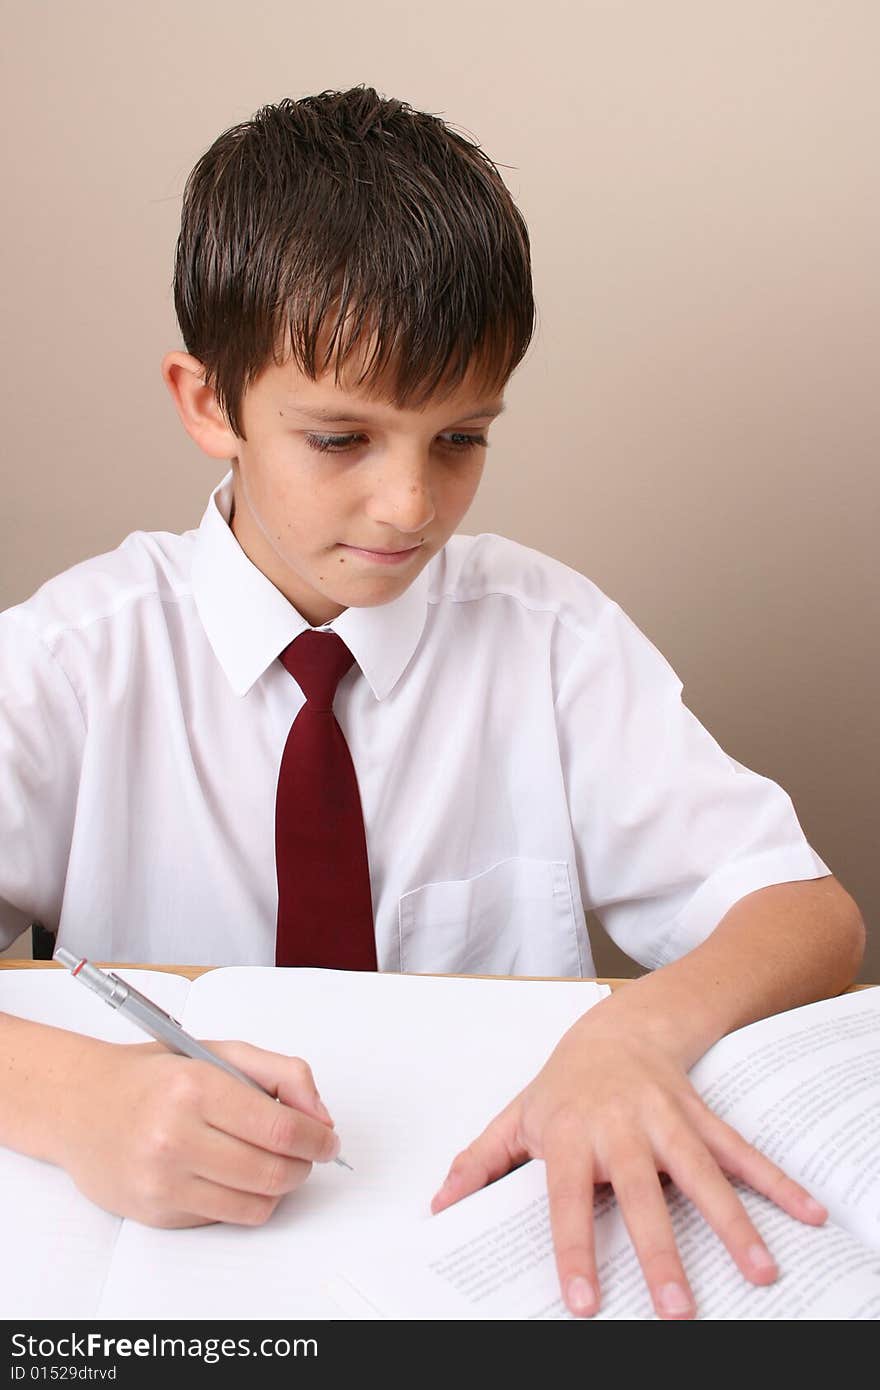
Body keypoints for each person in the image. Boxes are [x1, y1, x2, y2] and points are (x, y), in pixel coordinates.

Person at [0, 86, 864, 1321]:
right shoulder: (72, 659)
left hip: (471, 1250)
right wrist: (67, 1095)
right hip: (164, 1271)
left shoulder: (548, 640)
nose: (411, 506)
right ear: (208, 404)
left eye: (459, 438)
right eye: (342, 439)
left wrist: (636, 1032)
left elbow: (808, 914)